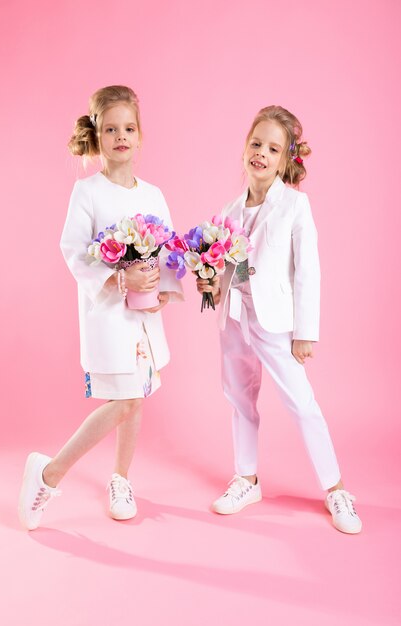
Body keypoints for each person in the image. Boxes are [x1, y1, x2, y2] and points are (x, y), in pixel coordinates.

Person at [18, 85, 183, 530]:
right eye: (111, 129)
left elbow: (169, 247)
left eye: (129, 128)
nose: (121, 136)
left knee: (138, 394)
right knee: (126, 397)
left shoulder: (153, 193)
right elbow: (73, 248)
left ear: (140, 135)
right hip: (109, 313)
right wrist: (116, 276)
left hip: (144, 315)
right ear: (97, 135)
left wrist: (165, 288)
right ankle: (50, 473)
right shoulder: (87, 192)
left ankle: (121, 478)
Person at [197, 105, 361, 534]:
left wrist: (305, 333)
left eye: (273, 149)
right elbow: (231, 268)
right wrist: (211, 283)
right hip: (235, 320)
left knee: (302, 404)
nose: (261, 154)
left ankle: (336, 488)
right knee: (240, 400)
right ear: (244, 149)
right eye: (256, 144)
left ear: (286, 160)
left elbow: (308, 269)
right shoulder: (230, 210)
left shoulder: (295, 205)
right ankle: (246, 479)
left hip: (276, 323)